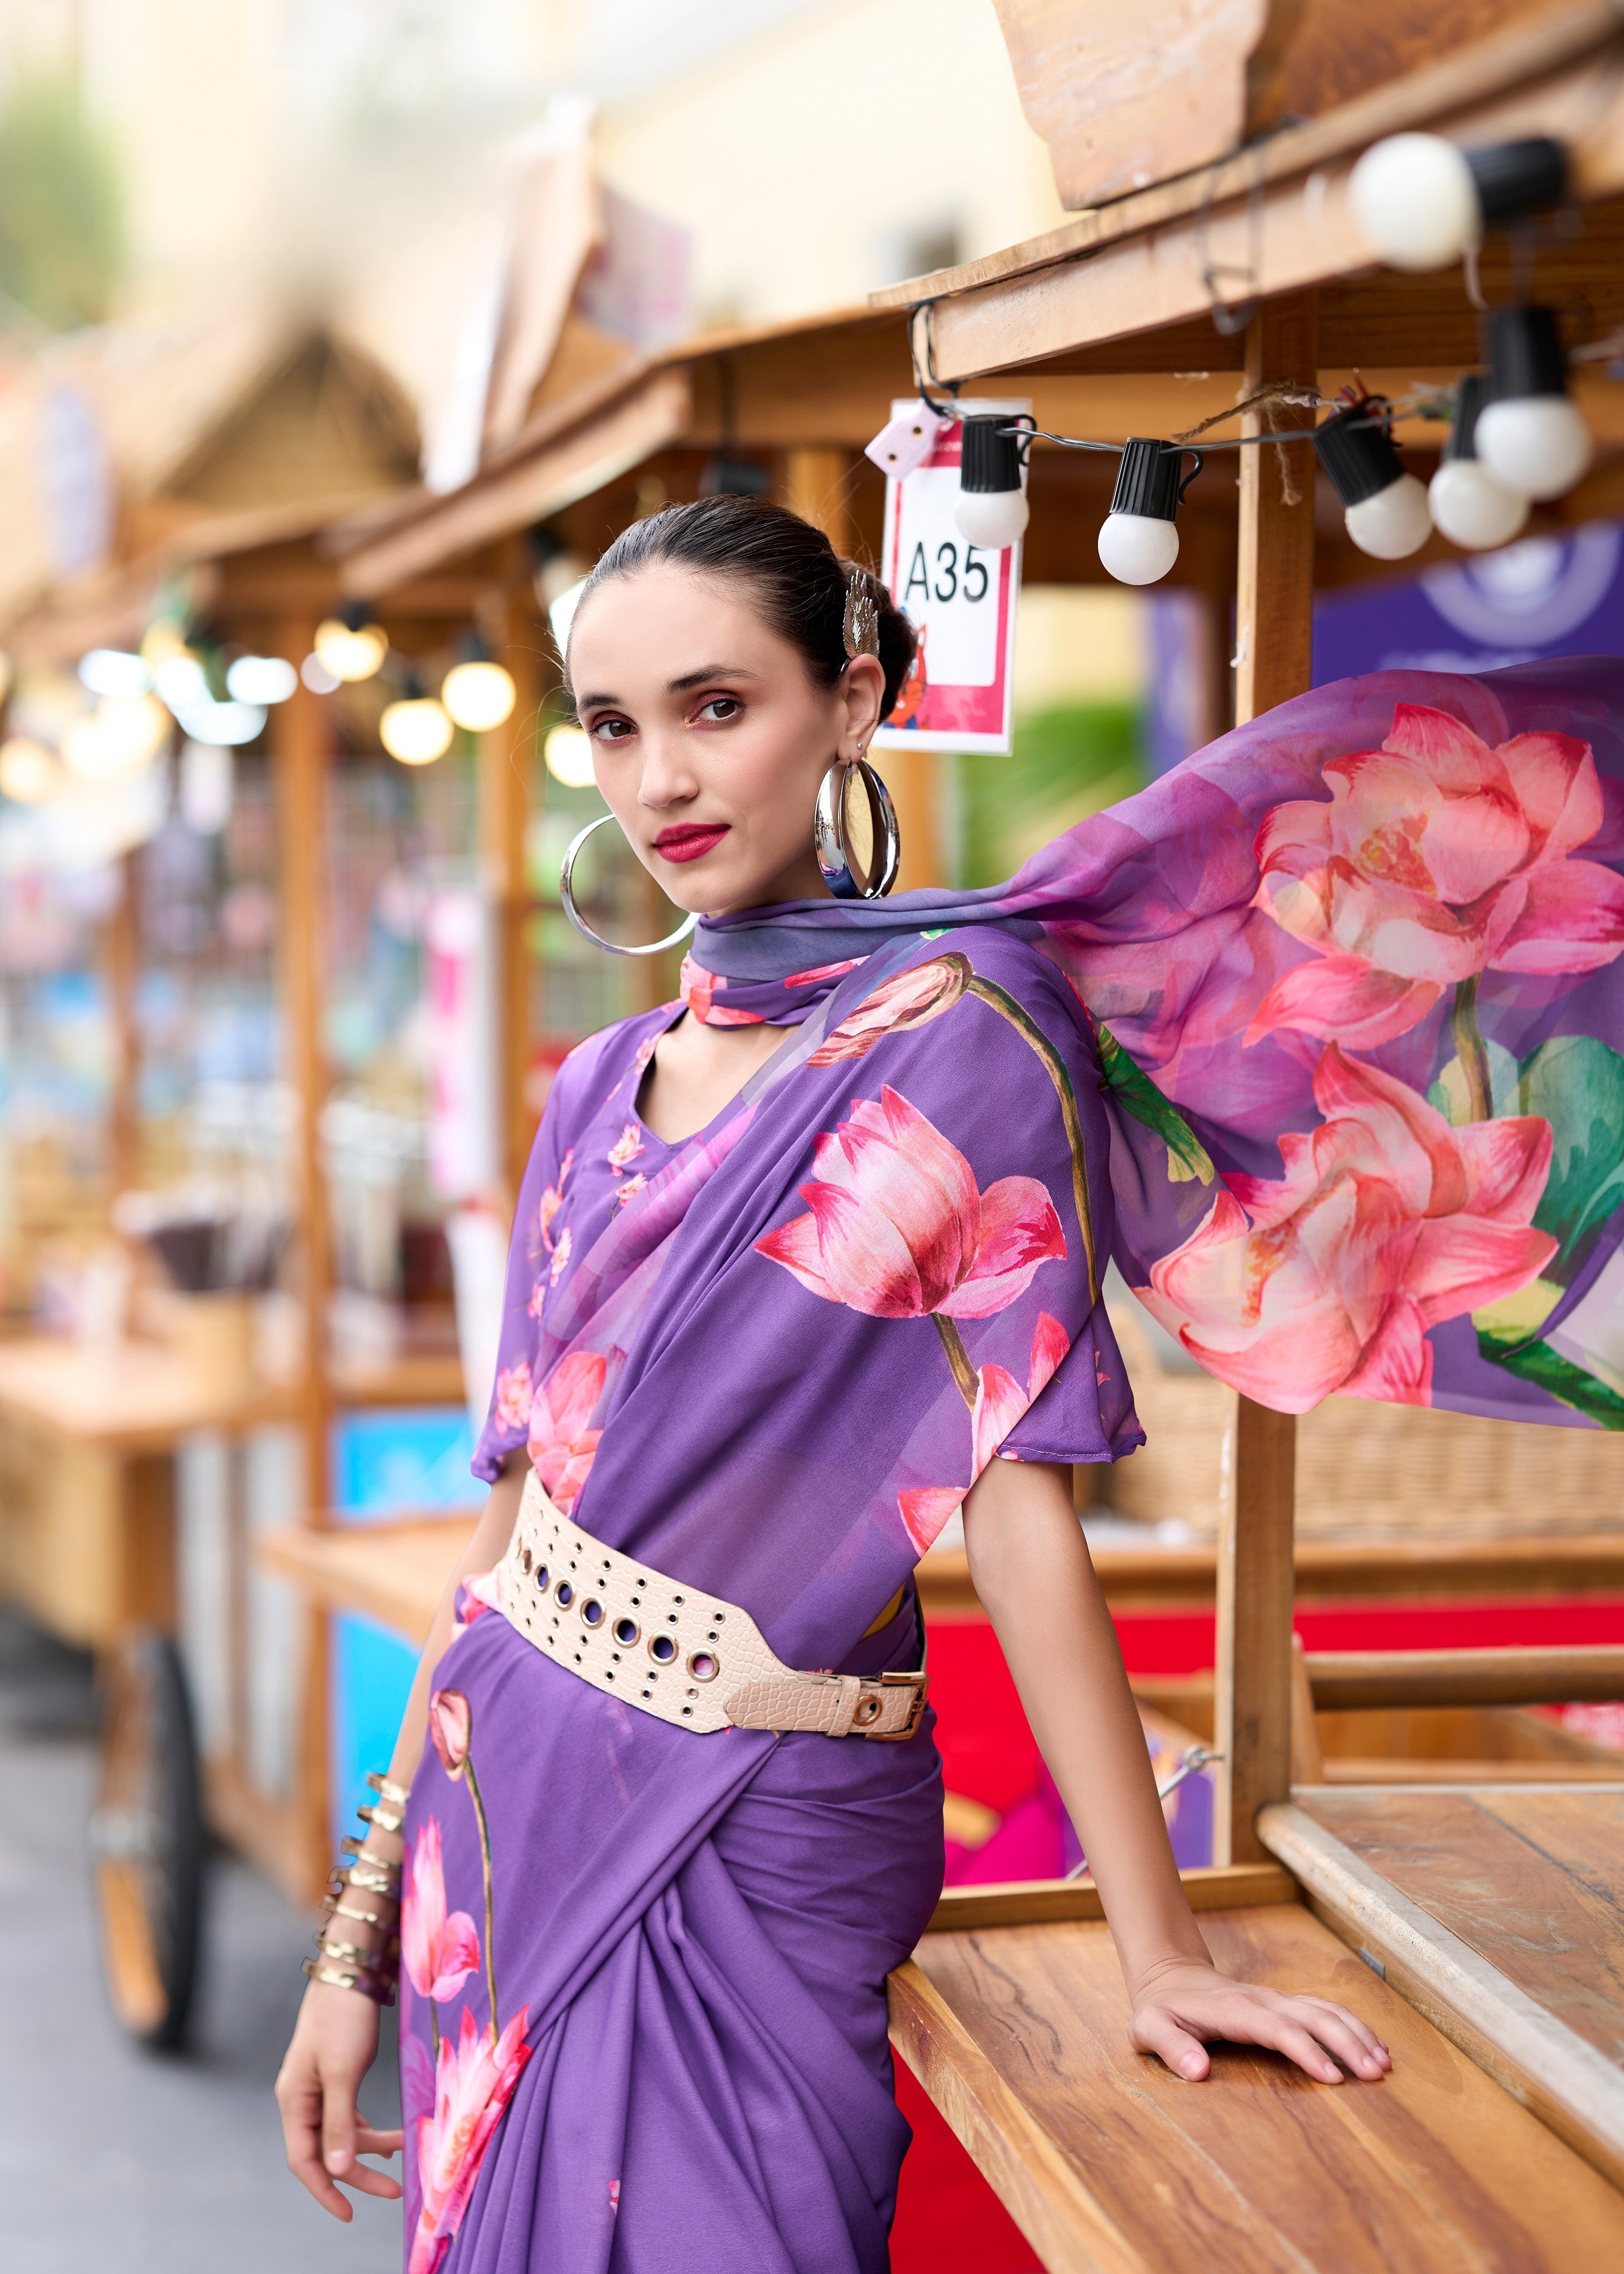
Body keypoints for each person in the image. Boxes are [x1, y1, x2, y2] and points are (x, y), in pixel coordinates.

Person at [280, 492, 1624, 2271]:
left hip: (763, 1825)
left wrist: (1160, 1954)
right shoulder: (595, 1089)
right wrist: (354, 1947)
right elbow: (507, 1540)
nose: (662, 778)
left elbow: (1018, 1509)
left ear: (851, 700)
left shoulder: (969, 1029)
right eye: (612, 725)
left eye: (717, 707)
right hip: (502, 1810)